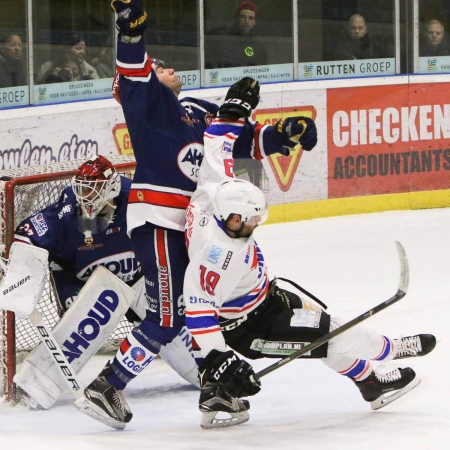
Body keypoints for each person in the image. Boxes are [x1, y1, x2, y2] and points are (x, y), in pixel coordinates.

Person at [77, 0, 313, 430]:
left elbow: (242, 138)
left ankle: (215, 393)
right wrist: (130, 34)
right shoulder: (149, 106)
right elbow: (133, 71)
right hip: (160, 221)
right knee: (169, 316)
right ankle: (106, 385)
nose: (164, 68)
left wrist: (286, 133)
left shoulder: (198, 110)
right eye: (158, 67)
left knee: (202, 306)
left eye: (164, 66)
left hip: (197, 228)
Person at [182, 99, 437, 428]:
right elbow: (198, 309)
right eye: (251, 220)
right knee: (330, 332)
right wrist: (222, 358)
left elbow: (216, 146)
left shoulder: (212, 192)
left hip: (265, 298)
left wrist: (231, 113)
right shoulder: (219, 256)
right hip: (250, 328)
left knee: (321, 328)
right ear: (232, 219)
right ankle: (390, 350)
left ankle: (370, 383)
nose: (256, 224)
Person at [13, 155, 198, 408]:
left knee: (186, 347)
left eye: (95, 195)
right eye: (84, 193)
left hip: (141, 278)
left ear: (112, 188)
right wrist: (20, 277)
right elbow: (27, 234)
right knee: (98, 309)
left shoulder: (138, 200)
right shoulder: (67, 212)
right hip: (85, 285)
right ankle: (36, 385)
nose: (87, 203)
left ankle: (207, 367)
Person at [205, 1, 267, 68]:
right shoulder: (220, 36)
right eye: (243, 17)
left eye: (251, 18)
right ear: (236, 19)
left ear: (254, 22)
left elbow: (260, 69)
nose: (247, 21)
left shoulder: (258, 46)